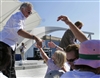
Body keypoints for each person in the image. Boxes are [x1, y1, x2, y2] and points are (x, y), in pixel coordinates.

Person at [0, 2, 42, 78]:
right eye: (28, 11)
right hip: (4, 43)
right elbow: (19, 31)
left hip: (10, 44)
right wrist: (35, 37)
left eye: (31, 12)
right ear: (22, 9)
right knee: (6, 69)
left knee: (11, 68)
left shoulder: (22, 19)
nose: (30, 14)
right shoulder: (17, 16)